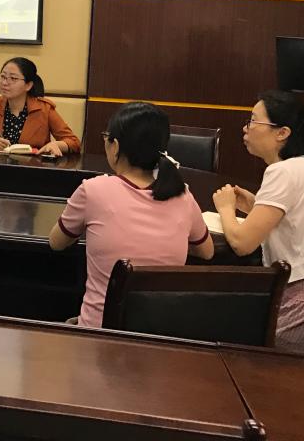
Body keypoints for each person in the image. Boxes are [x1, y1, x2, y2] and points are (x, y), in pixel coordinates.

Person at [212, 90, 304, 354]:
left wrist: (225, 208)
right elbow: (300, 221)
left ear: (282, 133)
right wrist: (256, 205)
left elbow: (241, 243)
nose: (245, 128)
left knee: (222, 332)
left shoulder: (282, 172)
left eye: (253, 121)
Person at [49, 102, 214, 328]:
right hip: (159, 335)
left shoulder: (93, 190)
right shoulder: (182, 194)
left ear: (115, 146)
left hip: (98, 334)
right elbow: (207, 251)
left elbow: (56, 242)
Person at [0, 57, 81, 155]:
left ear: (28, 85)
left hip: (33, 169)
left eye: (13, 78)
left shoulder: (44, 109)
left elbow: (73, 142)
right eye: (3, 77)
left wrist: (56, 144)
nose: (4, 82)